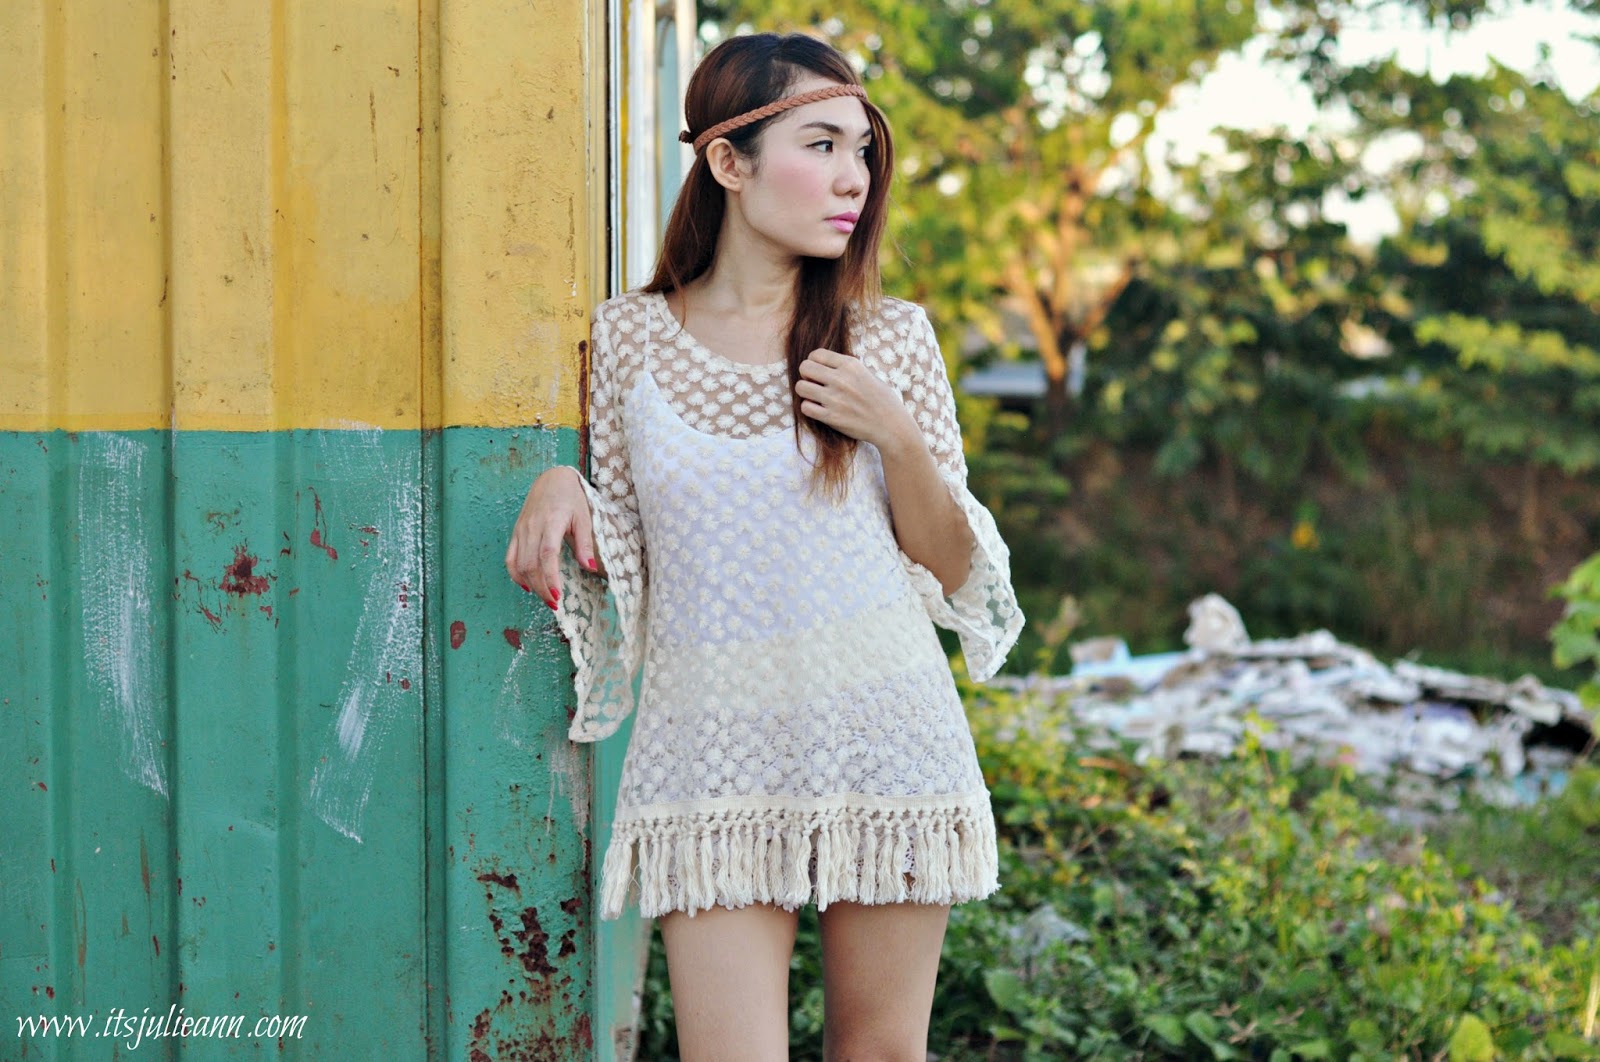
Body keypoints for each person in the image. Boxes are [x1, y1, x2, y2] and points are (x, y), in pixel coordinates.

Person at [504, 31, 1024, 1062]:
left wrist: (895, 434)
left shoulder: (890, 338)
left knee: (879, 1053)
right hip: (712, 752)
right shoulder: (629, 338)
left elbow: (956, 567)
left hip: (885, 737)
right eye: (821, 145)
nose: (853, 178)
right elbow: (636, 548)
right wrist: (566, 484)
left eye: (862, 151)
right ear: (727, 162)